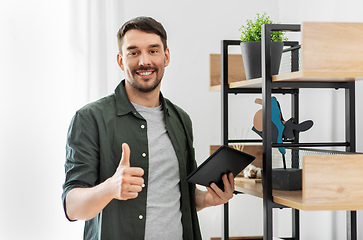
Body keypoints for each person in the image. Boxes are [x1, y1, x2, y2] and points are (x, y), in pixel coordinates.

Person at [62, 16, 235, 240]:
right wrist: (110, 188)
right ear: (121, 60)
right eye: (133, 52)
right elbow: (72, 208)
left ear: (166, 56)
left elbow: (179, 196)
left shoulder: (181, 119)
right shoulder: (89, 118)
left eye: (153, 50)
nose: (144, 61)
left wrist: (209, 199)